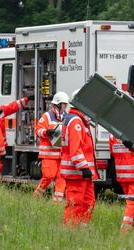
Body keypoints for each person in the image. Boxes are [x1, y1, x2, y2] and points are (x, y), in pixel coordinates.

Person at [60, 89, 97, 228]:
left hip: (83, 174)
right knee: (75, 204)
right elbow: (75, 150)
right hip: (77, 173)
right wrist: (84, 167)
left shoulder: (78, 120)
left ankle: (81, 231)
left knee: (89, 202)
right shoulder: (75, 121)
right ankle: (70, 232)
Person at [109, 133, 134, 232]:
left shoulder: (112, 133)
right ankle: (125, 229)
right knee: (133, 202)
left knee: (131, 202)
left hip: (122, 174)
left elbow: (112, 152)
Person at [34, 92, 69, 202]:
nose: (65, 107)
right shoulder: (47, 116)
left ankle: (57, 202)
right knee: (48, 176)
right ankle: (36, 196)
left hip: (62, 155)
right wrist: (46, 132)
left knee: (61, 178)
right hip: (49, 155)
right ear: (57, 104)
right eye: (64, 104)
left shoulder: (66, 117)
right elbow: (37, 130)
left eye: (66, 105)